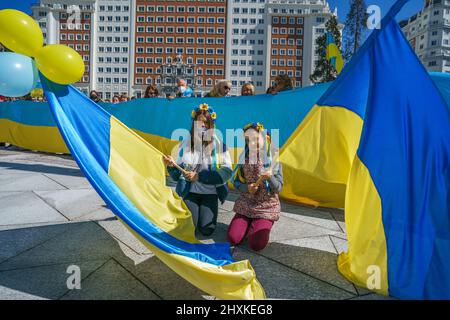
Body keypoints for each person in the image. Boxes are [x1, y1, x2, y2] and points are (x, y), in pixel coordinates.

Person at [163, 103, 232, 236]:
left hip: (210, 193)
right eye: (198, 122)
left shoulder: (220, 146)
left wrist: (199, 177)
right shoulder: (185, 145)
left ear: (211, 125)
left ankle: (209, 211)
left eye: (205, 123)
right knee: (190, 227)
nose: (201, 126)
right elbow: (177, 176)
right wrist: (171, 166)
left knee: (207, 230)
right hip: (190, 192)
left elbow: (226, 173)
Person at [227, 122, 283, 251]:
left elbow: (278, 188)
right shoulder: (244, 159)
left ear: (265, 138)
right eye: (248, 140)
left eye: (255, 139)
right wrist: (247, 188)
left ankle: (260, 224)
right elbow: (235, 182)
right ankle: (247, 223)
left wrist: (270, 177)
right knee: (233, 238)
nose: (251, 143)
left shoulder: (273, 160)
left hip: (266, 208)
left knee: (256, 245)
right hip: (246, 204)